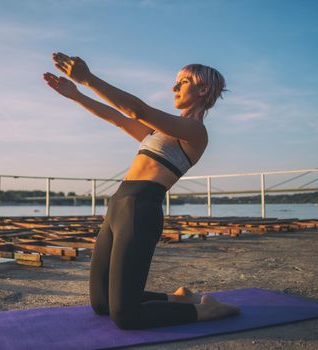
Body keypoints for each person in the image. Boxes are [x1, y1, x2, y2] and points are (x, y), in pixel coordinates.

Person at [43, 52, 240, 330]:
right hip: (118, 207)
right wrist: (76, 95)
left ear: (202, 89)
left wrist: (89, 79)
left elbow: (137, 111)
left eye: (181, 82)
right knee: (101, 304)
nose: (173, 88)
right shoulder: (160, 132)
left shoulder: (195, 132)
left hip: (141, 209)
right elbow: (119, 119)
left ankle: (207, 311)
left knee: (126, 317)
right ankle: (179, 299)